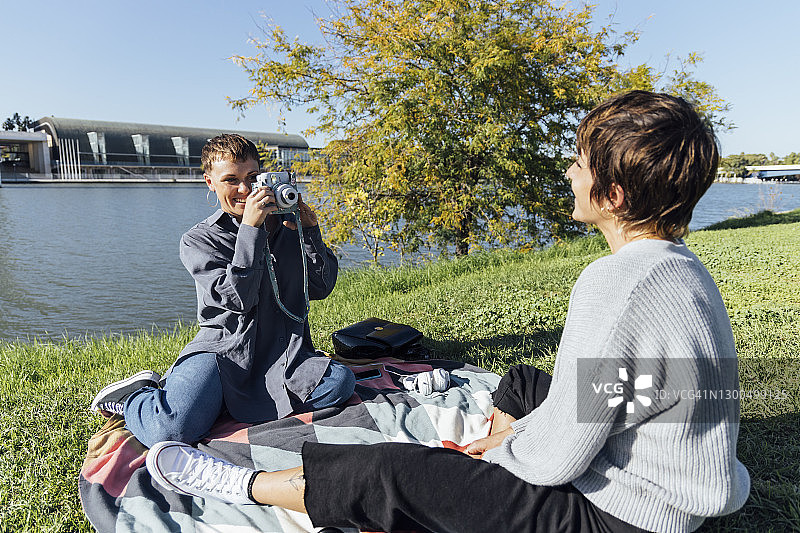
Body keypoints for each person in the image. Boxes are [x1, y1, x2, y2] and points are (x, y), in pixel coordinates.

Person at [144, 92, 751, 533]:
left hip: (620, 516)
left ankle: (236, 482)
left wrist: (494, 455)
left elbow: (560, 456)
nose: (568, 172)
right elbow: (651, 393)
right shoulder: (683, 268)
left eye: (580, 163)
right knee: (519, 383)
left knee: (392, 470)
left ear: (613, 196)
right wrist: (523, 425)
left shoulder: (614, 283)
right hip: (676, 491)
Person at [90, 133, 355, 448]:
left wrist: (310, 230)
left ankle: (222, 402)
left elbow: (321, 287)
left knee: (340, 383)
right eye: (231, 180)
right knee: (172, 430)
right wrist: (251, 231)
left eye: (252, 177)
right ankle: (137, 396)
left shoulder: (288, 227)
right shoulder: (199, 240)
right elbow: (237, 298)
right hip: (224, 353)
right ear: (210, 183)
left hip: (285, 354)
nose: (245, 189)